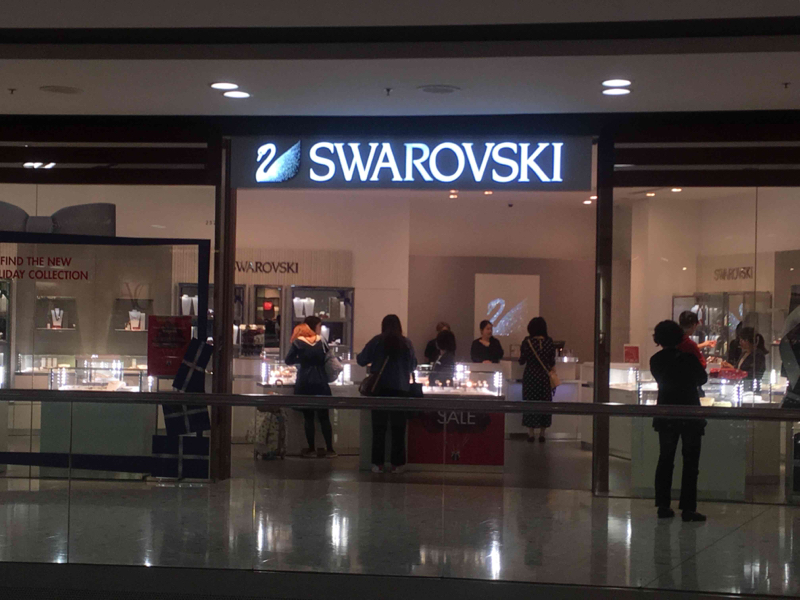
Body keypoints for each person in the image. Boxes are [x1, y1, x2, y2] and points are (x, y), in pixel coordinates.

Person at [650, 320, 708, 522]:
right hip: (690, 412)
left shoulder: (655, 360)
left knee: (665, 459)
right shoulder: (688, 359)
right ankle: (688, 508)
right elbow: (702, 379)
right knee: (691, 461)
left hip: (666, 412)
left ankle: (663, 505)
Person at [357, 314, 417, 474]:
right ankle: (398, 464)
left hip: (379, 389)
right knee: (399, 429)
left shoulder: (377, 341)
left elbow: (361, 360)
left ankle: (378, 464)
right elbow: (413, 365)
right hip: (401, 389)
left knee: (378, 428)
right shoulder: (406, 343)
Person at [285, 315, 336, 458]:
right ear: (314, 327)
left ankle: (311, 449)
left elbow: (288, 360)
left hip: (305, 381)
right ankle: (330, 449)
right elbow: (329, 358)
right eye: (319, 326)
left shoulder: (298, 342)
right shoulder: (322, 341)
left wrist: (301, 359)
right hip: (321, 381)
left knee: (308, 417)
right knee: (324, 417)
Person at [520, 317, 556, 442]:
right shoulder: (549, 342)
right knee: (545, 404)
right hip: (544, 377)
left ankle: (531, 433)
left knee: (530, 403)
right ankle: (542, 433)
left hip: (530, 376)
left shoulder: (527, 342)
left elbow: (522, 360)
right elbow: (552, 361)